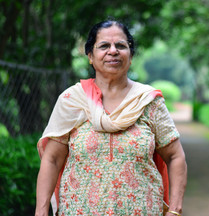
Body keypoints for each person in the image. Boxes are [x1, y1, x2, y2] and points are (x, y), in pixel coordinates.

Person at [35, 19, 187, 216]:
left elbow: (175, 156)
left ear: (130, 56)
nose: (113, 51)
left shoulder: (148, 102)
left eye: (121, 46)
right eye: (104, 46)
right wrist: (41, 211)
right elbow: (52, 159)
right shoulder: (72, 100)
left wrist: (174, 210)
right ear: (90, 55)